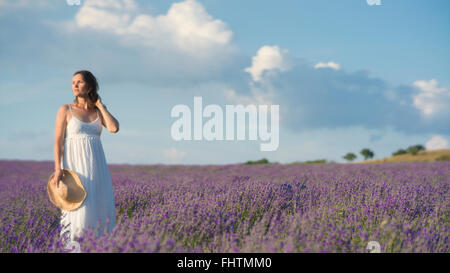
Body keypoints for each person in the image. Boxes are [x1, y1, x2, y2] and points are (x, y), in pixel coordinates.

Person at [53, 70, 119, 243]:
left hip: (97, 168)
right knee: (79, 210)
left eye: (79, 82)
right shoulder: (65, 109)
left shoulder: (98, 112)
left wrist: (101, 106)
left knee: (99, 207)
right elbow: (58, 141)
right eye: (73, 82)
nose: (74, 85)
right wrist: (58, 169)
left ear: (89, 86)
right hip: (75, 169)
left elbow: (113, 128)